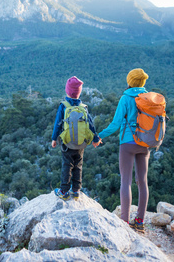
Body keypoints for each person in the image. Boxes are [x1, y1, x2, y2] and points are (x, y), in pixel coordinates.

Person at [98, 68, 150, 233]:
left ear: (130, 81)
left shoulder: (125, 98)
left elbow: (115, 124)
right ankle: (140, 222)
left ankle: (125, 223)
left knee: (126, 181)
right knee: (142, 182)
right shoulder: (149, 98)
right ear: (142, 82)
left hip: (127, 144)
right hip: (145, 143)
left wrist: (98, 136)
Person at [51, 76, 101, 200]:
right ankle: (76, 190)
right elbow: (90, 125)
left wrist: (54, 139)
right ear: (79, 92)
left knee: (67, 165)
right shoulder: (83, 107)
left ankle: (64, 191)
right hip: (81, 144)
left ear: (67, 91)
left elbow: (58, 123)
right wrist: (95, 139)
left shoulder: (63, 106)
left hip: (67, 143)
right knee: (78, 165)